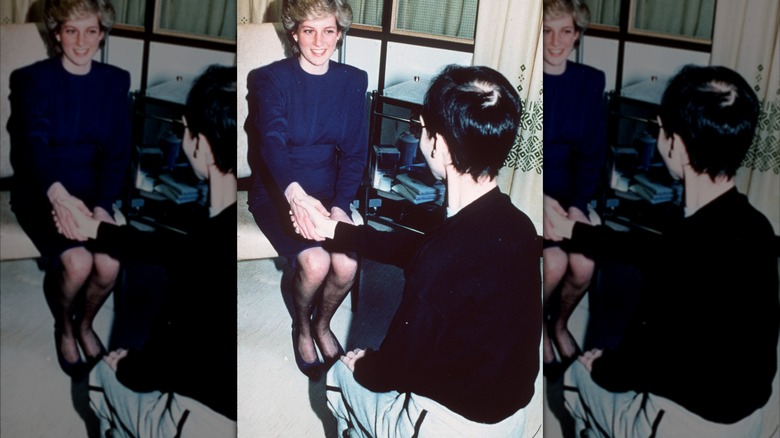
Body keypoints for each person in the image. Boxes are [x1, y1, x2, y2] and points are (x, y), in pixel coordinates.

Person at [294, 65, 541, 436]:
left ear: (438, 145)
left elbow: (390, 370)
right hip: (511, 420)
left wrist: (363, 365)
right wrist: (336, 231)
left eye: (422, 128)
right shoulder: (517, 226)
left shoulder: (441, 260)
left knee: (338, 377)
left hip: (449, 425)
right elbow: (418, 249)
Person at [545, 64, 779, 437]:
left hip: (688, 424)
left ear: (676, 145)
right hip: (748, 421)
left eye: (662, 129)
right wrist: (574, 230)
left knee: (575, 378)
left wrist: (600, 365)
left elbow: (631, 367)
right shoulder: (754, 227)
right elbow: (653, 251)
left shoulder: (681, 254)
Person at [55, 65, 238, 436]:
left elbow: (156, 367)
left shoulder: (200, 254)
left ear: (200, 144)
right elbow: (172, 249)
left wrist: (125, 365)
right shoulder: (233, 226)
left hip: (199, 421)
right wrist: (96, 229)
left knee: (100, 376)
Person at [7, 0, 131, 378]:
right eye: (71, 31)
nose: (81, 42)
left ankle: (85, 323)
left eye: (91, 31)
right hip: (42, 187)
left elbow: (118, 151)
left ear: (102, 34)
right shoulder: (31, 79)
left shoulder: (115, 80)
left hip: (92, 191)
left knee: (109, 264)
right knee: (78, 264)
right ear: (57, 34)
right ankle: (63, 325)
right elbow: (32, 145)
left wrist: (104, 205)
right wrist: (58, 196)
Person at [246, 0, 368, 379]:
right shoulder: (270, 79)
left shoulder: (353, 81)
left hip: (329, 190)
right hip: (279, 188)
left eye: (328, 31)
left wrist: (342, 205)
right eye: (309, 31)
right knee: (315, 264)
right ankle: (301, 326)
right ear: (294, 33)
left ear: (339, 34)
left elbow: (355, 152)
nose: (319, 42)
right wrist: (296, 197)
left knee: (347, 264)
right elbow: (271, 145)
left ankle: (322, 323)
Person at [541, 0, 607, 374]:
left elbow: (593, 155)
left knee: (584, 265)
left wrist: (579, 205)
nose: (556, 42)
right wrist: (542, 201)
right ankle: (537, 327)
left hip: (571, 196)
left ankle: (559, 323)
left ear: (577, 34)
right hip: (534, 192)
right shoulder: (525, 78)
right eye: (547, 31)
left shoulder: (589, 81)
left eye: (565, 31)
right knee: (553, 265)